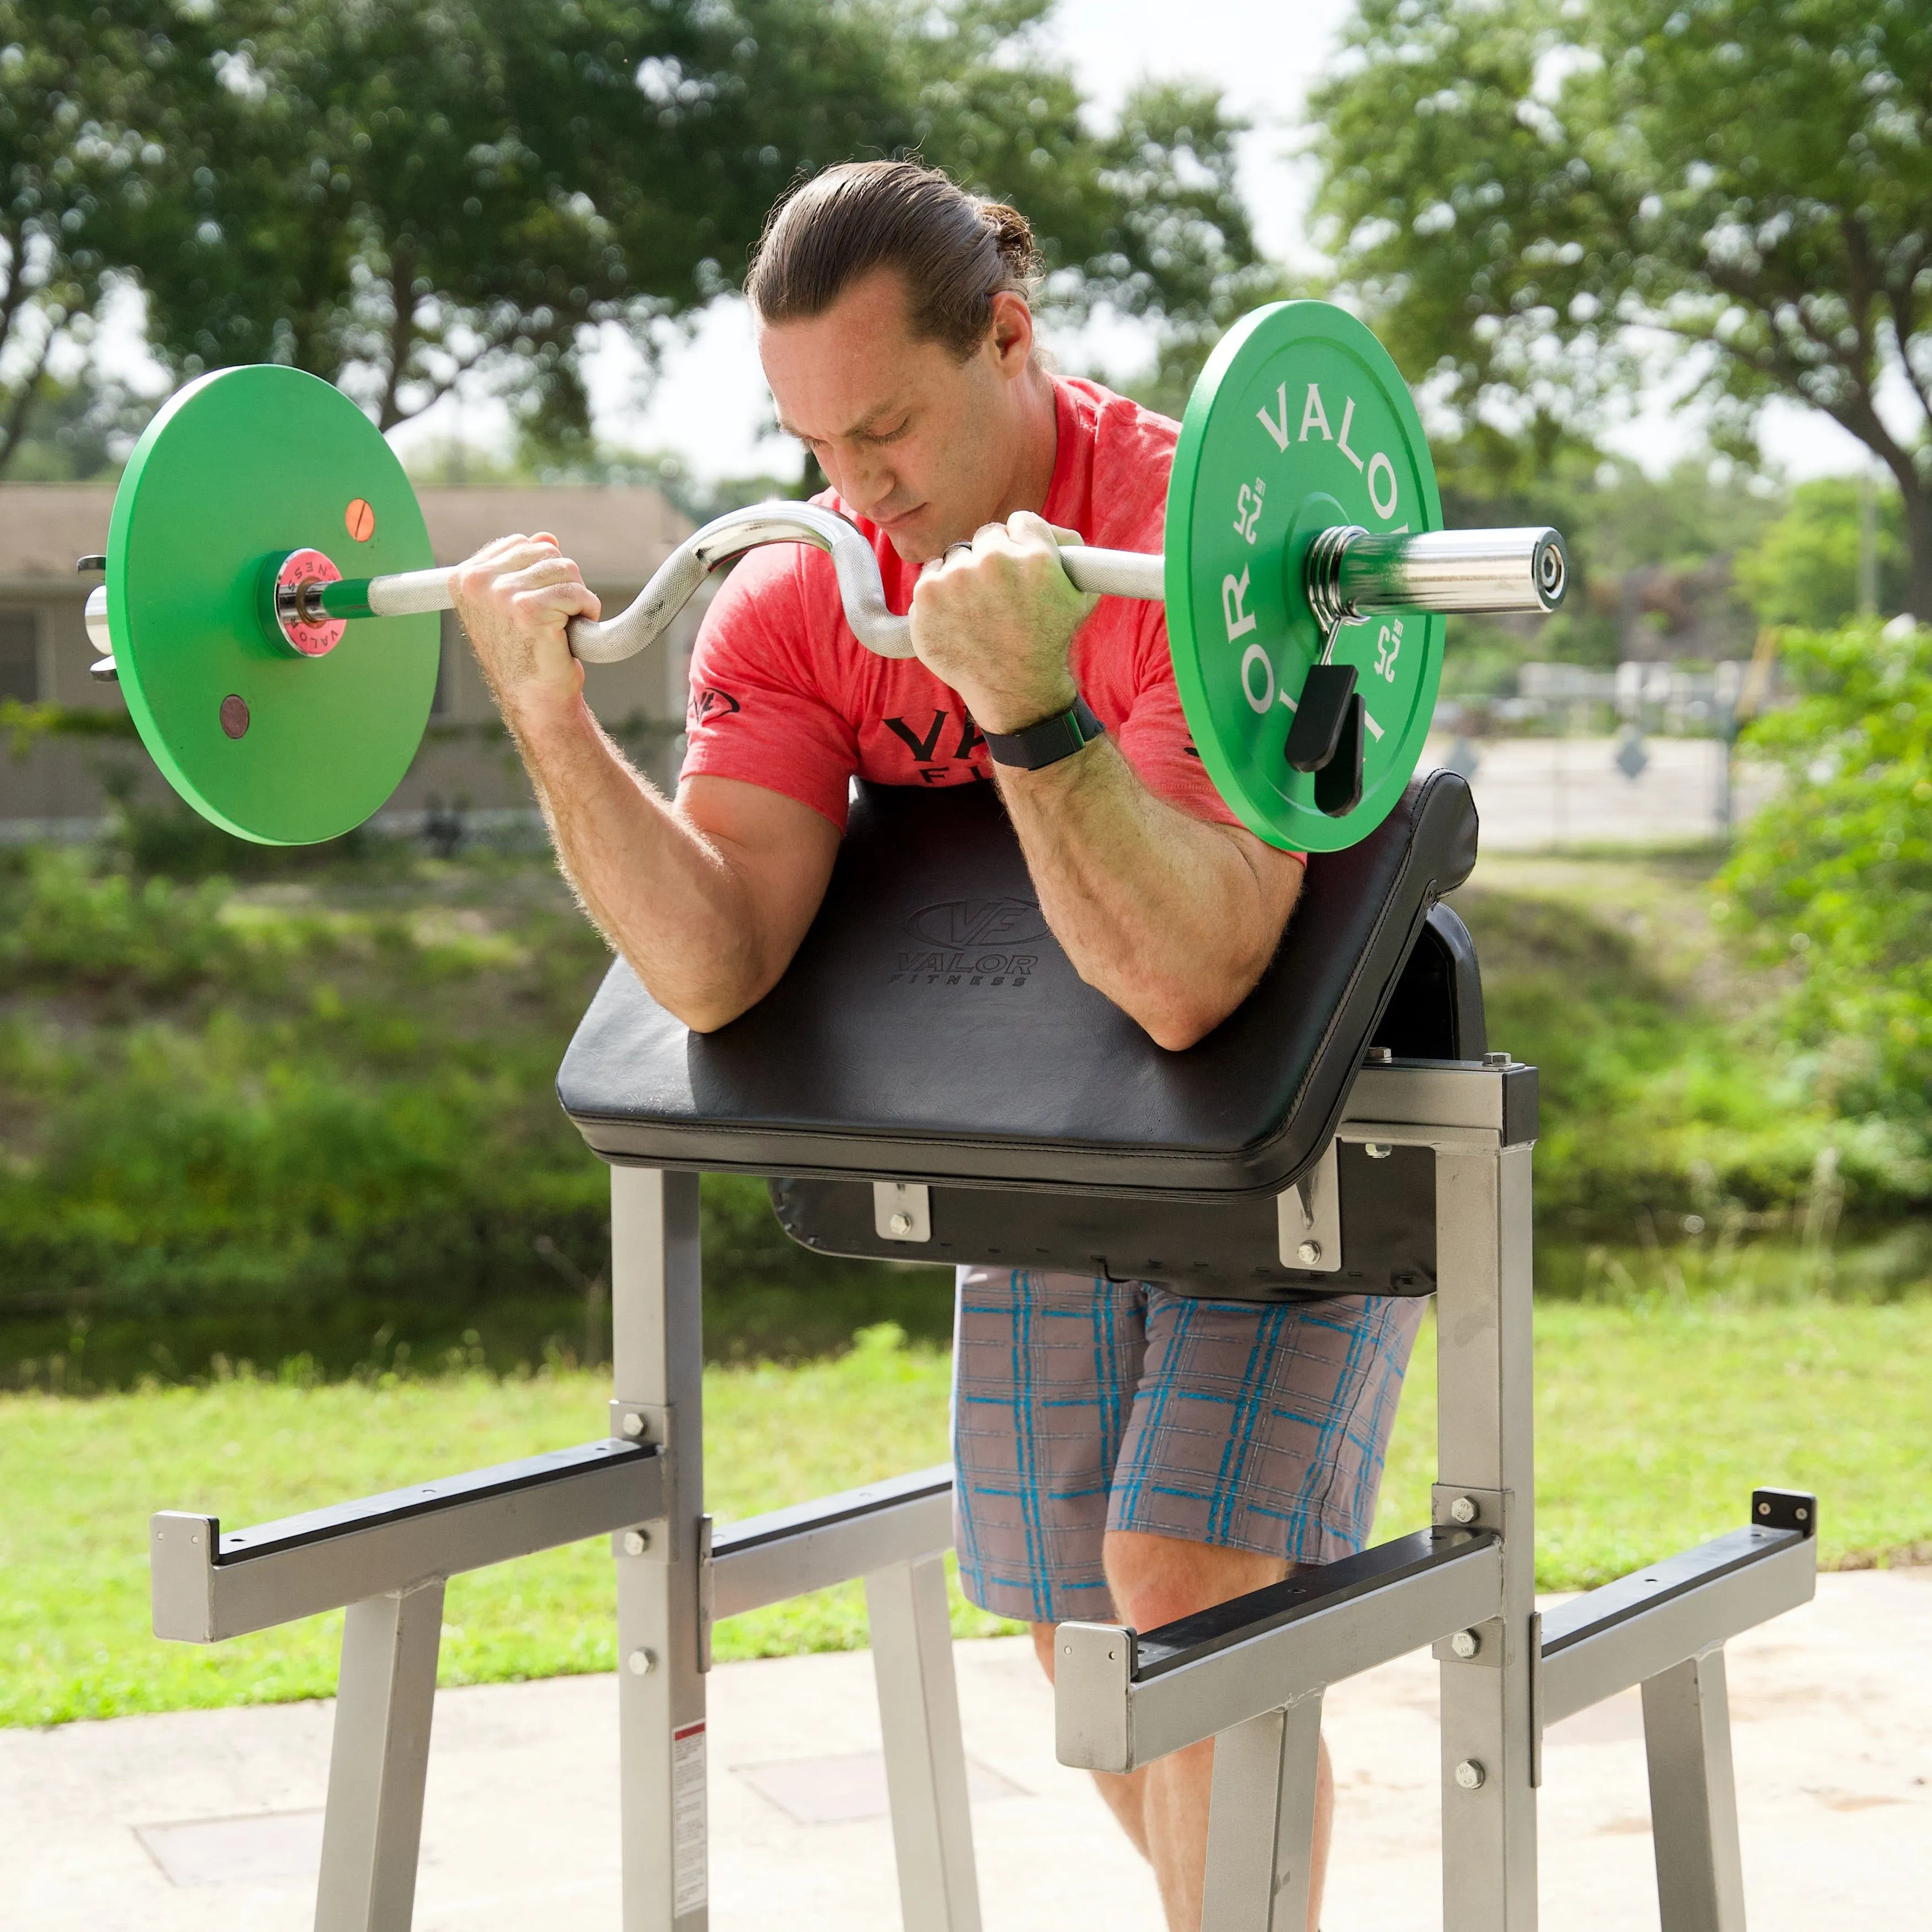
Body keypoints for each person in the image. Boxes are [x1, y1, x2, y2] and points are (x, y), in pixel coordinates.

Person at [452, 158, 1423, 1932]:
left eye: (888, 428)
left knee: (1181, 1577)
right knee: (1073, 1613)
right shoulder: (795, 590)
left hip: (1309, 1109)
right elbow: (717, 964)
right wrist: (549, 728)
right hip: (1055, 1142)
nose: (855, 487)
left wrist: (1031, 704)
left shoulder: (1175, 546)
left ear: (1008, 338)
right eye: (815, 442)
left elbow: (1193, 979)